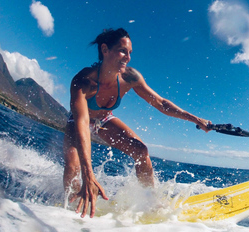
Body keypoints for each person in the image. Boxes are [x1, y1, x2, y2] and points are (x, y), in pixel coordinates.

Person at [63, 28, 211, 218]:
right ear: (105, 49)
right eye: (123, 50)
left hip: (104, 119)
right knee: (73, 166)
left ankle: (151, 204)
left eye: (130, 53)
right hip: (79, 120)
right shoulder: (83, 81)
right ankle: (70, 209)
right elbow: (82, 122)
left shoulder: (129, 77)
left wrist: (196, 119)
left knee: (141, 151)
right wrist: (88, 174)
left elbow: (161, 103)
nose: (128, 57)